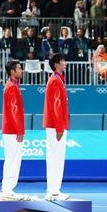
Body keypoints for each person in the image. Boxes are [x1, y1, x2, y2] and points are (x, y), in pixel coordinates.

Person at [0, 60, 31, 201]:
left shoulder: (13, 85)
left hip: (12, 129)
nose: (21, 71)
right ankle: (7, 190)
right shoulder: (12, 87)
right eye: (19, 68)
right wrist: (19, 130)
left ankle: (7, 189)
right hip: (12, 130)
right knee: (13, 160)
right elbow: (14, 111)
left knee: (12, 159)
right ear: (12, 71)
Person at [43, 53, 70, 201]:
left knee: (58, 157)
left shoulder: (58, 79)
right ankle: (53, 191)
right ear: (56, 64)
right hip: (55, 126)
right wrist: (60, 127)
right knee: (55, 157)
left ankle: (54, 190)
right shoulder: (55, 80)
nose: (65, 63)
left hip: (57, 124)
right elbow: (56, 106)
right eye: (63, 61)